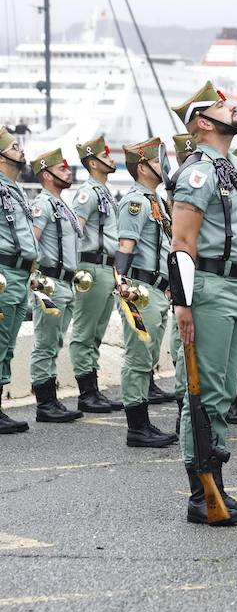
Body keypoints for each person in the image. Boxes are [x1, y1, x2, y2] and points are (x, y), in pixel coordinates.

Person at [168, 82, 237, 525]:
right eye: (223, 106)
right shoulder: (199, 172)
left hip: (232, 287)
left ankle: (217, 485)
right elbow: (182, 242)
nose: (234, 108)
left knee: (223, 391)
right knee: (203, 392)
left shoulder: (227, 168)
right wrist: (183, 305)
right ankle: (199, 492)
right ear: (204, 122)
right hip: (207, 288)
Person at [112, 139, 178, 448]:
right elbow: (126, 246)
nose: (164, 166)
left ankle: (142, 423)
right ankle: (137, 427)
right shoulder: (135, 201)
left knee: (147, 356)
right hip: (140, 290)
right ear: (143, 166)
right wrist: (122, 283)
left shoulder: (157, 201)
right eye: (158, 160)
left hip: (155, 290)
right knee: (138, 358)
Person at [28, 147, 84, 424]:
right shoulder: (43, 204)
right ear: (46, 175)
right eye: (61, 168)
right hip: (50, 282)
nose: (68, 171)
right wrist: (35, 279)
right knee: (45, 343)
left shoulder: (62, 204)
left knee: (55, 341)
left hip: (65, 282)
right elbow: (32, 241)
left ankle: (51, 400)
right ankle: (45, 403)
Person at [69, 136, 124, 414]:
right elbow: (74, 231)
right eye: (106, 155)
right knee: (84, 331)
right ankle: (86, 393)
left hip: (105, 267)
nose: (112, 159)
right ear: (93, 162)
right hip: (90, 266)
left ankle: (93, 390)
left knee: (96, 332)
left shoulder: (103, 191)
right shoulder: (88, 193)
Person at [0, 130, 37, 434]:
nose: (21, 151)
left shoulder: (14, 189)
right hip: (4, 274)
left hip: (20, 275)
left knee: (7, 343)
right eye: (14, 147)